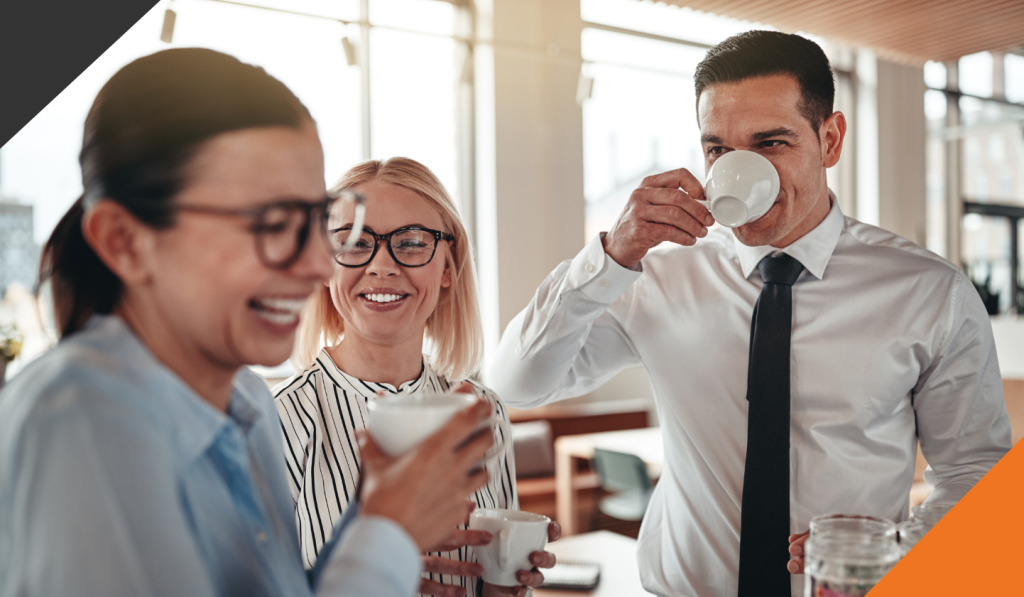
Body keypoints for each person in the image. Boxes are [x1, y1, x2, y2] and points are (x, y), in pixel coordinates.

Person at [488, 30, 1012, 597]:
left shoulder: (929, 292)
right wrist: (608, 256)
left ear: (830, 140)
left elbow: (975, 474)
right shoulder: (656, 275)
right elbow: (516, 383)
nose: (740, 170)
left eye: (770, 143)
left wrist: (891, 550)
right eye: (719, 150)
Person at [0, 48, 494, 597]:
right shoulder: (78, 419)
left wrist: (370, 520)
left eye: (313, 220)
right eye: (272, 223)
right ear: (126, 242)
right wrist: (387, 535)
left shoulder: (248, 403)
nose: (320, 265)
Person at [276, 157, 558, 597]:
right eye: (353, 242)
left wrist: (504, 586)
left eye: (410, 242)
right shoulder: (279, 420)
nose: (382, 266)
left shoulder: (484, 411)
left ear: (447, 268)